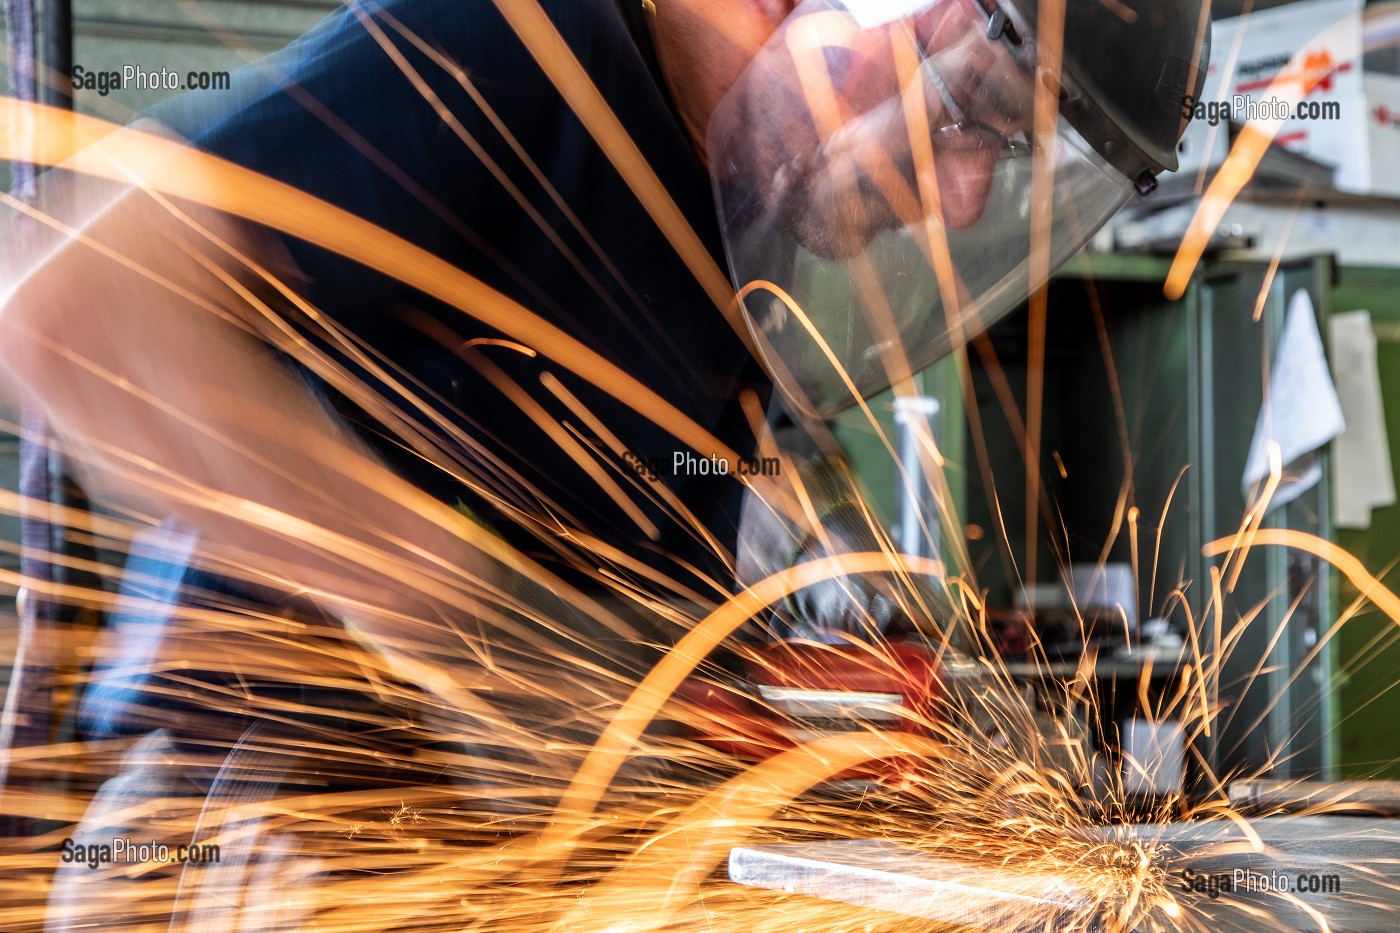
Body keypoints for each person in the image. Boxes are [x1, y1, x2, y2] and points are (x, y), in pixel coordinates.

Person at [0, 0, 1207, 921]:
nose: (960, 198)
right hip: (261, 854)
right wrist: (467, 619)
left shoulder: (730, 217)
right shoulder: (525, 45)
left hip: (472, 872)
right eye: (966, 122)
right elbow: (70, 311)